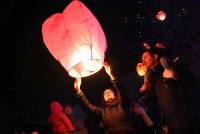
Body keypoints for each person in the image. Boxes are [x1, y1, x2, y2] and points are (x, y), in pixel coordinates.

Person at [139, 47, 197, 134]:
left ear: (155, 57)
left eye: (146, 57)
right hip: (171, 124)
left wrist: (176, 75)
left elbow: (192, 80)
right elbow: (157, 102)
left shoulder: (170, 65)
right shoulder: (152, 79)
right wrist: (142, 91)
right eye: (142, 59)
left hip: (188, 119)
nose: (143, 61)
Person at [73, 63, 136, 134]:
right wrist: (78, 90)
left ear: (115, 95)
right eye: (105, 93)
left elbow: (122, 91)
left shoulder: (122, 105)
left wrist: (111, 74)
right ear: (104, 98)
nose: (107, 93)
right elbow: (87, 106)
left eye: (109, 92)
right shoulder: (102, 111)